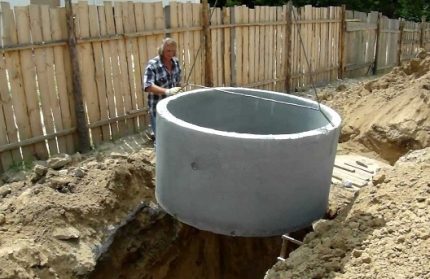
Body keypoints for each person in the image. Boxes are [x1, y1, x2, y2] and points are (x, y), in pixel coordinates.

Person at [143, 37, 182, 141]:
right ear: (161, 49)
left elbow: (178, 82)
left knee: (172, 138)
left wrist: (179, 89)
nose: (170, 53)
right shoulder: (153, 64)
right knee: (161, 140)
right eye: (168, 50)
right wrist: (167, 91)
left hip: (173, 108)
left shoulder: (176, 62)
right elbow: (147, 86)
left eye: (173, 51)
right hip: (157, 109)